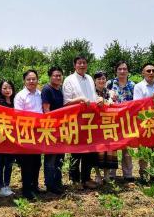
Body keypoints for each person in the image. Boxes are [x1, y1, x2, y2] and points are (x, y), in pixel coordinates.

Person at [62, 55, 99, 190]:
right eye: (79, 63)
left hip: (90, 120)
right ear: (74, 65)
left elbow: (93, 97)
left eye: (84, 63)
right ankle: (74, 179)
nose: (82, 65)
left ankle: (86, 178)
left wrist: (98, 99)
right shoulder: (69, 80)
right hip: (76, 120)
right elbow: (66, 102)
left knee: (89, 150)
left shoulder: (89, 78)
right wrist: (80, 99)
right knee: (76, 151)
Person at [14, 69, 44, 200]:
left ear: (37, 80)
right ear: (24, 81)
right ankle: (26, 190)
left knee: (37, 162)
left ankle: (35, 185)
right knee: (27, 163)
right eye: (28, 79)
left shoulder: (40, 94)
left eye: (34, 79)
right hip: (26, 133)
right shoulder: (20, 96)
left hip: (38, 133)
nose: (31, 81)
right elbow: (18, 115)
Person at [133, 62, 154, 181]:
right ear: (143, 73)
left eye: (153, 71)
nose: (151, 73)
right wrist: (152, 99)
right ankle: (144, 174)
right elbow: (137, 104)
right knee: (144, 149)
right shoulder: (139, 86)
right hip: (144, 122)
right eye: (148, 71)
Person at [107, 60, 136, 182]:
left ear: (128, 71)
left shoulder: (133, 85)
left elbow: (138, 102)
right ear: (116, 71)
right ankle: (111, 173)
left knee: (127, 148)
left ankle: (128, 173)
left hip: (128, 120)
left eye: (124, 69)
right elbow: (104, 96)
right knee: (112, 148)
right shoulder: (109, 84)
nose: (122, 71)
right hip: (112, 120)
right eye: (120, 69)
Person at [41, 66, 65, 194]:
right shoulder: (47, 89)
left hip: (61, 128)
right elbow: (46, 110)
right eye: (55, 75)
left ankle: (58, 181)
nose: (57, 77)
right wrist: (52, 127)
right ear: (50, 76)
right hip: (51, 128)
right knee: (51, 158)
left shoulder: (60, 90)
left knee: (60, 157)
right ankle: (50, 184)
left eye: (59, 75)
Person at [93, 70, 118, 184]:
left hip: (108, 125)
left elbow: (114, 106)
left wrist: (112, 100)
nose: (101, 81)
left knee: (109, 150)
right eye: (99, 79)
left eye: (103, 78)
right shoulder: (91, 93)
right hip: (95, 126)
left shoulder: (111, 93)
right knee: (97, 151)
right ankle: (97, 175)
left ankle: (107, 174)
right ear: (95, 81)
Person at [0, 80, 16, 197]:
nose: (7, 90)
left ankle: (7, 185)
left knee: (9, 163)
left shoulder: (15, 101)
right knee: (0, 163)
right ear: (0, 90)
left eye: (9, 87)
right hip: (1, 138)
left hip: (12, 138)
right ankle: (1, 187)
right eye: (4, 88)